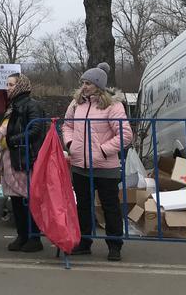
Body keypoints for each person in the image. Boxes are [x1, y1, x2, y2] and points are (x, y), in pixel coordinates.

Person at [63, 63, 132, 261]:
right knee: (83, 206)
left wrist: (103, 150)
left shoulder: (113, 105)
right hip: (79, 165)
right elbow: (67, 126)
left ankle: (114, 245)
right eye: (83, 82)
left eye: (88, 83)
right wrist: (70, 143)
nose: (84, 86)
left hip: (105, 166)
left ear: (99, 86)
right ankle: (84, 242)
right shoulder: (76, 104)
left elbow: (125, 135)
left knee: (110, 206)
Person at [0, 73, 45, 253]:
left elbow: (36, 129)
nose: (7, 88)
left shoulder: (32, 105)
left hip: (25, 158)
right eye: (7, 84)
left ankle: (34, 237)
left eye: (11, 84)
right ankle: (22, 235)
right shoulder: (12, 107)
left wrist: (12, 140)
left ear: (21, 86)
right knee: (15, 198)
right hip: (13, 158)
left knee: (28, 199)